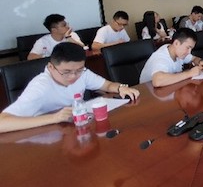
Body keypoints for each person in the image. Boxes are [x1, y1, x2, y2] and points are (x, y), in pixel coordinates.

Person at [0, 43, 140, 134]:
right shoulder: (40, 86)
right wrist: (54, 118)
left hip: (73, 131)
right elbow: (2, 123)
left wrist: (121, 88)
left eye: (78, 70)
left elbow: (107, 85)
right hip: (44, 138)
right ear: (51, 67)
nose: (73, 76)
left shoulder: (83, 73)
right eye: (66, 72)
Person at [139, 28, 203, 87]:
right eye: (188, 48)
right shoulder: (161, 57)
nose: (189, 52)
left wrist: (200, 62)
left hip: (167, 89)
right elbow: (157, 81)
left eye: (191, 49)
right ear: (176, 43)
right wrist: (189, 73)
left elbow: (194, 58)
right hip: (147, 95)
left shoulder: (177, 51)